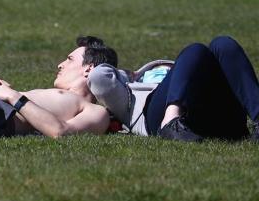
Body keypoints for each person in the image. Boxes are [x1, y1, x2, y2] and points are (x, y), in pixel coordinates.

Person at [90, 35, 259, 142]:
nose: (62, 64)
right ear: (87, 70)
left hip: (221, 119)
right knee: (196, 49)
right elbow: (99, 77)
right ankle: (171, 122)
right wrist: (131, 75)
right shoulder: (119, 91)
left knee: (223, 44)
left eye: (69, 59)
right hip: (160, 117)